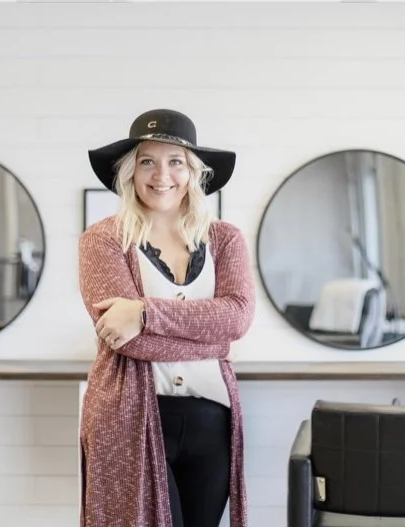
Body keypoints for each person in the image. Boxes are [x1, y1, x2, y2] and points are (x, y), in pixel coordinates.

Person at [78, 108, 255, 527]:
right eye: (147, 161)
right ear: (130, 172)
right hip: (128, 419)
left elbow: (238, 316)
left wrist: (143, 311)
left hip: (211, 423)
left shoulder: (225, 239)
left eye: (176, 161)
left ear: (193, 172)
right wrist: (214, 341)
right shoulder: (103, 240)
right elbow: (127, 340)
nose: (162, 175)